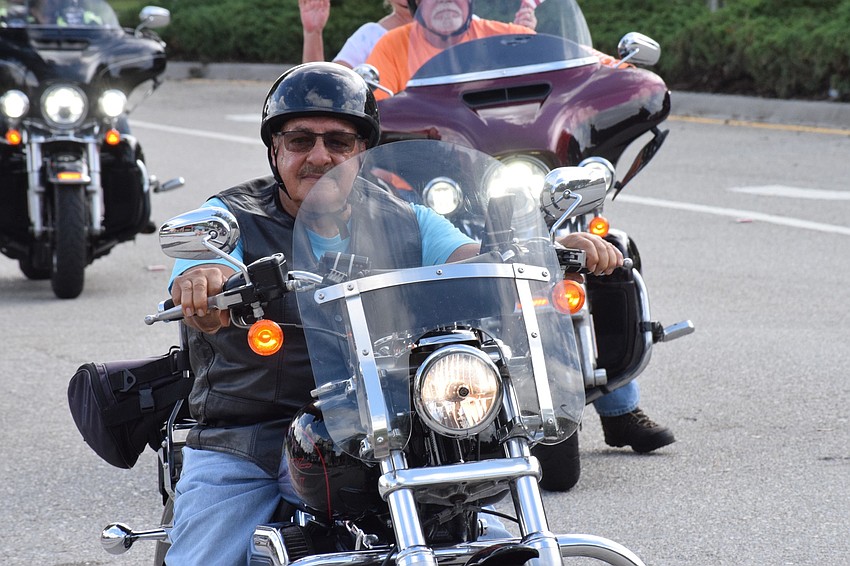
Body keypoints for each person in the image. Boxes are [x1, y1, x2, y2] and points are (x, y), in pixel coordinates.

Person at [165, 61, 625, 565]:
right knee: (202, 558)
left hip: (387, 425)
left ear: (361, 151)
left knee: (484, 531)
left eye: (338, 142)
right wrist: (201, 286)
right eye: (300, 140)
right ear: (275, 150)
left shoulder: (405, 217)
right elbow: (201, 270)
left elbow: (477, 265)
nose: (319, 156)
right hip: (251, 434)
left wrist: (550, 250)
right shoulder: (231, 219)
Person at [366, 0, 675, 460]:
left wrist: (617, 70)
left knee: (602, 252)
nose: (446, 2)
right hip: (443, 193)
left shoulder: (504, 36)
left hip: (521, 178)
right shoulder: (392, 48)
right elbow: (365, 104)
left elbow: (585, 69)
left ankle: (621, 408)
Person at [299, 0, 534, 68]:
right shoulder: (376, 38)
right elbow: (327, 86)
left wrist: (525, 36)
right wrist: (313, 33)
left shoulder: (474, 26)